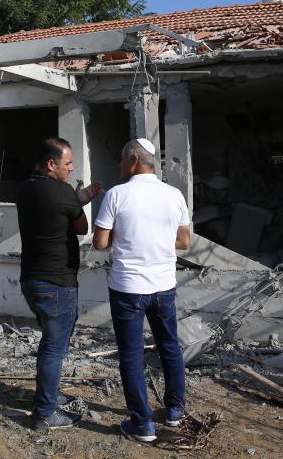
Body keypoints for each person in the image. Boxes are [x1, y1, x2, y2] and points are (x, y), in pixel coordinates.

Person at [93, 138, 191, 443]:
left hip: (127, 289)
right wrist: (157, 239)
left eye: (122, 160)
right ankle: (175, 410)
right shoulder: (174, 195)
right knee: (170, 346)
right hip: (164, 287)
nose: (120, 165)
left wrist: (129, 236)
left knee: (132, 354)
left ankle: (142, 423)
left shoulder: (117, 195)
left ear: (133, 160)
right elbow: (185, 241)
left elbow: (99, 243)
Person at [17, 137, 102, 431]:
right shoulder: (62, 191)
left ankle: (49, 397)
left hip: (32, 279)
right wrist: (78, 202)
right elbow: (82, 228)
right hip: (57, 283)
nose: (71, 168)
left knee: (51, 344)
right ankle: (45, 413)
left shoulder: (25, 188)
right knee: (54, 348)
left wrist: (72, 201)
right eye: (68, 164)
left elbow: (54, 216)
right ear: (51, 164)